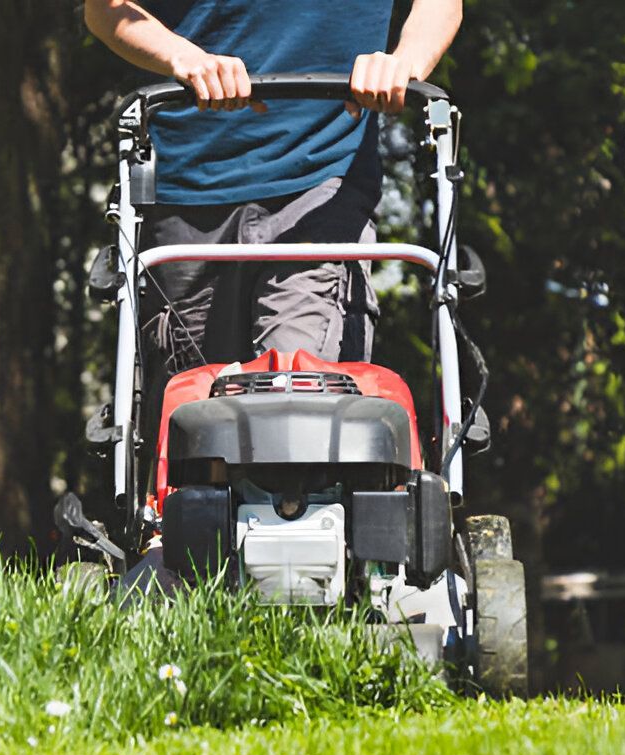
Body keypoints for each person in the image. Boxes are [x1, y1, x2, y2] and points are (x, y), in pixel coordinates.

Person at [86, 0, 462, 456]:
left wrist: (405, 63)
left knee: (302, 405)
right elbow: (105, 8)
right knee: (194, 426)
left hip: (324, 177)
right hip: (186, 187)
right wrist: (182, 56)